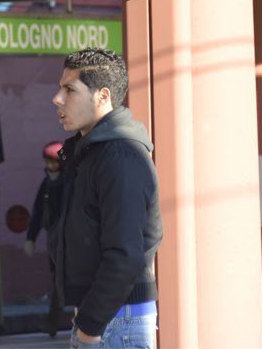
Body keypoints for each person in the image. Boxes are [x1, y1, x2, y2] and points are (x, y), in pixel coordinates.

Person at [51, 48, 162, 349]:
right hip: (104, 315)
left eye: (69, 90)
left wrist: (89, 327)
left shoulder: (119, 157)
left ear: (102, 96)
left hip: (116, 319)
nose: (57, 99)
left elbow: (125, 254)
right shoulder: (91, 153)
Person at [24, 141, 65, 337]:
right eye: (47, 162)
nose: (49, 166)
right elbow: (38, 211)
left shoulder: (70, 180)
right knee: (57, 281)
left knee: (70, 281)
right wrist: (30, 238)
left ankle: (54, 322)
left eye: (53, 162)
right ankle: (52, 323)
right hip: (54, 240)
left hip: (70, 240)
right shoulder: (47, 182)